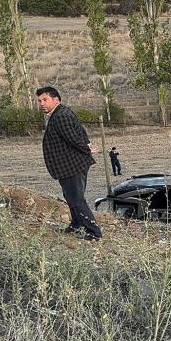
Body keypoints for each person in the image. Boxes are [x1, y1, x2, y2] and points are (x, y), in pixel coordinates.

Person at [37, 86, 102, 241]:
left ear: (56, 99)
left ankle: (94, 232)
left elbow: (74, 138)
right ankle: (76, 225)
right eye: (39, 101)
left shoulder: (61, 116)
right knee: (71, 197)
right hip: (69, 166)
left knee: (76, 199)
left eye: (45, 100)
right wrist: (87, 145)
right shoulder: (61, 113)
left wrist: (87, 148)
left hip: (72, 166)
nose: (42, 104)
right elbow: (80, 133)